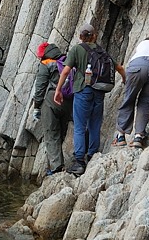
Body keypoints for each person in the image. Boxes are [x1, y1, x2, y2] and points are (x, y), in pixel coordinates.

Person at [54, 24, 126, 175]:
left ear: (80, 36)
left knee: (80, 126)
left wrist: (58, 89)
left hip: (83, 90)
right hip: (99, 92)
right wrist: (125, 80)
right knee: (94, 125)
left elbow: (66, 70)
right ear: (94, 35)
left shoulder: (77, 49)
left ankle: (79, 161)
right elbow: (119, 68)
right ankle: (92, 155)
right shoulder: (102, 51)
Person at [114, 35, 149, 149]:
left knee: (129, 98)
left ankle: (121, 136)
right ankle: (138, 137)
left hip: (138, 64)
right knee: (146, 102)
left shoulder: (142, 44)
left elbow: (145, 66)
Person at [30, 42, 73, 174]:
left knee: (51, 132)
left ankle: (56, 167)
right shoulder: (67, 59)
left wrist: (37, 106)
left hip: (52, 100)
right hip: (69, 102)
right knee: (61, 131)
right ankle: (60, 163)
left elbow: (40, 88)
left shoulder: (45, 64)